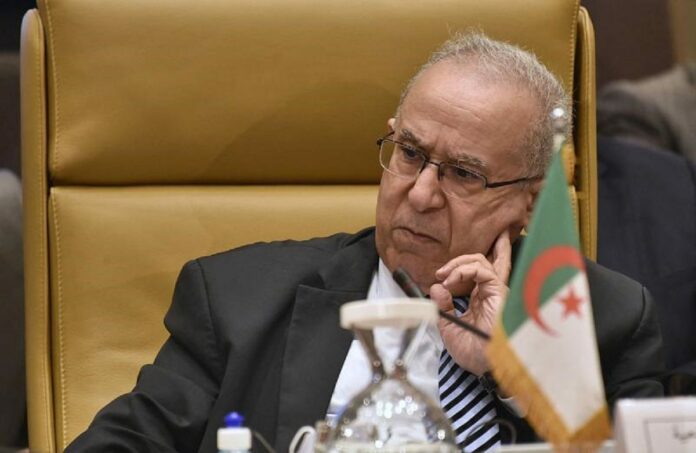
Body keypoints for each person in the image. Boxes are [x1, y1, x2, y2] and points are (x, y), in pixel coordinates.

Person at [67, 32, 664, 452]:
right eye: (410, 154)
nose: (421, 194)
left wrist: (515, 376)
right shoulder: (237, 300)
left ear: (530, 199)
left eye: (463, 174)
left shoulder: (605, 320)